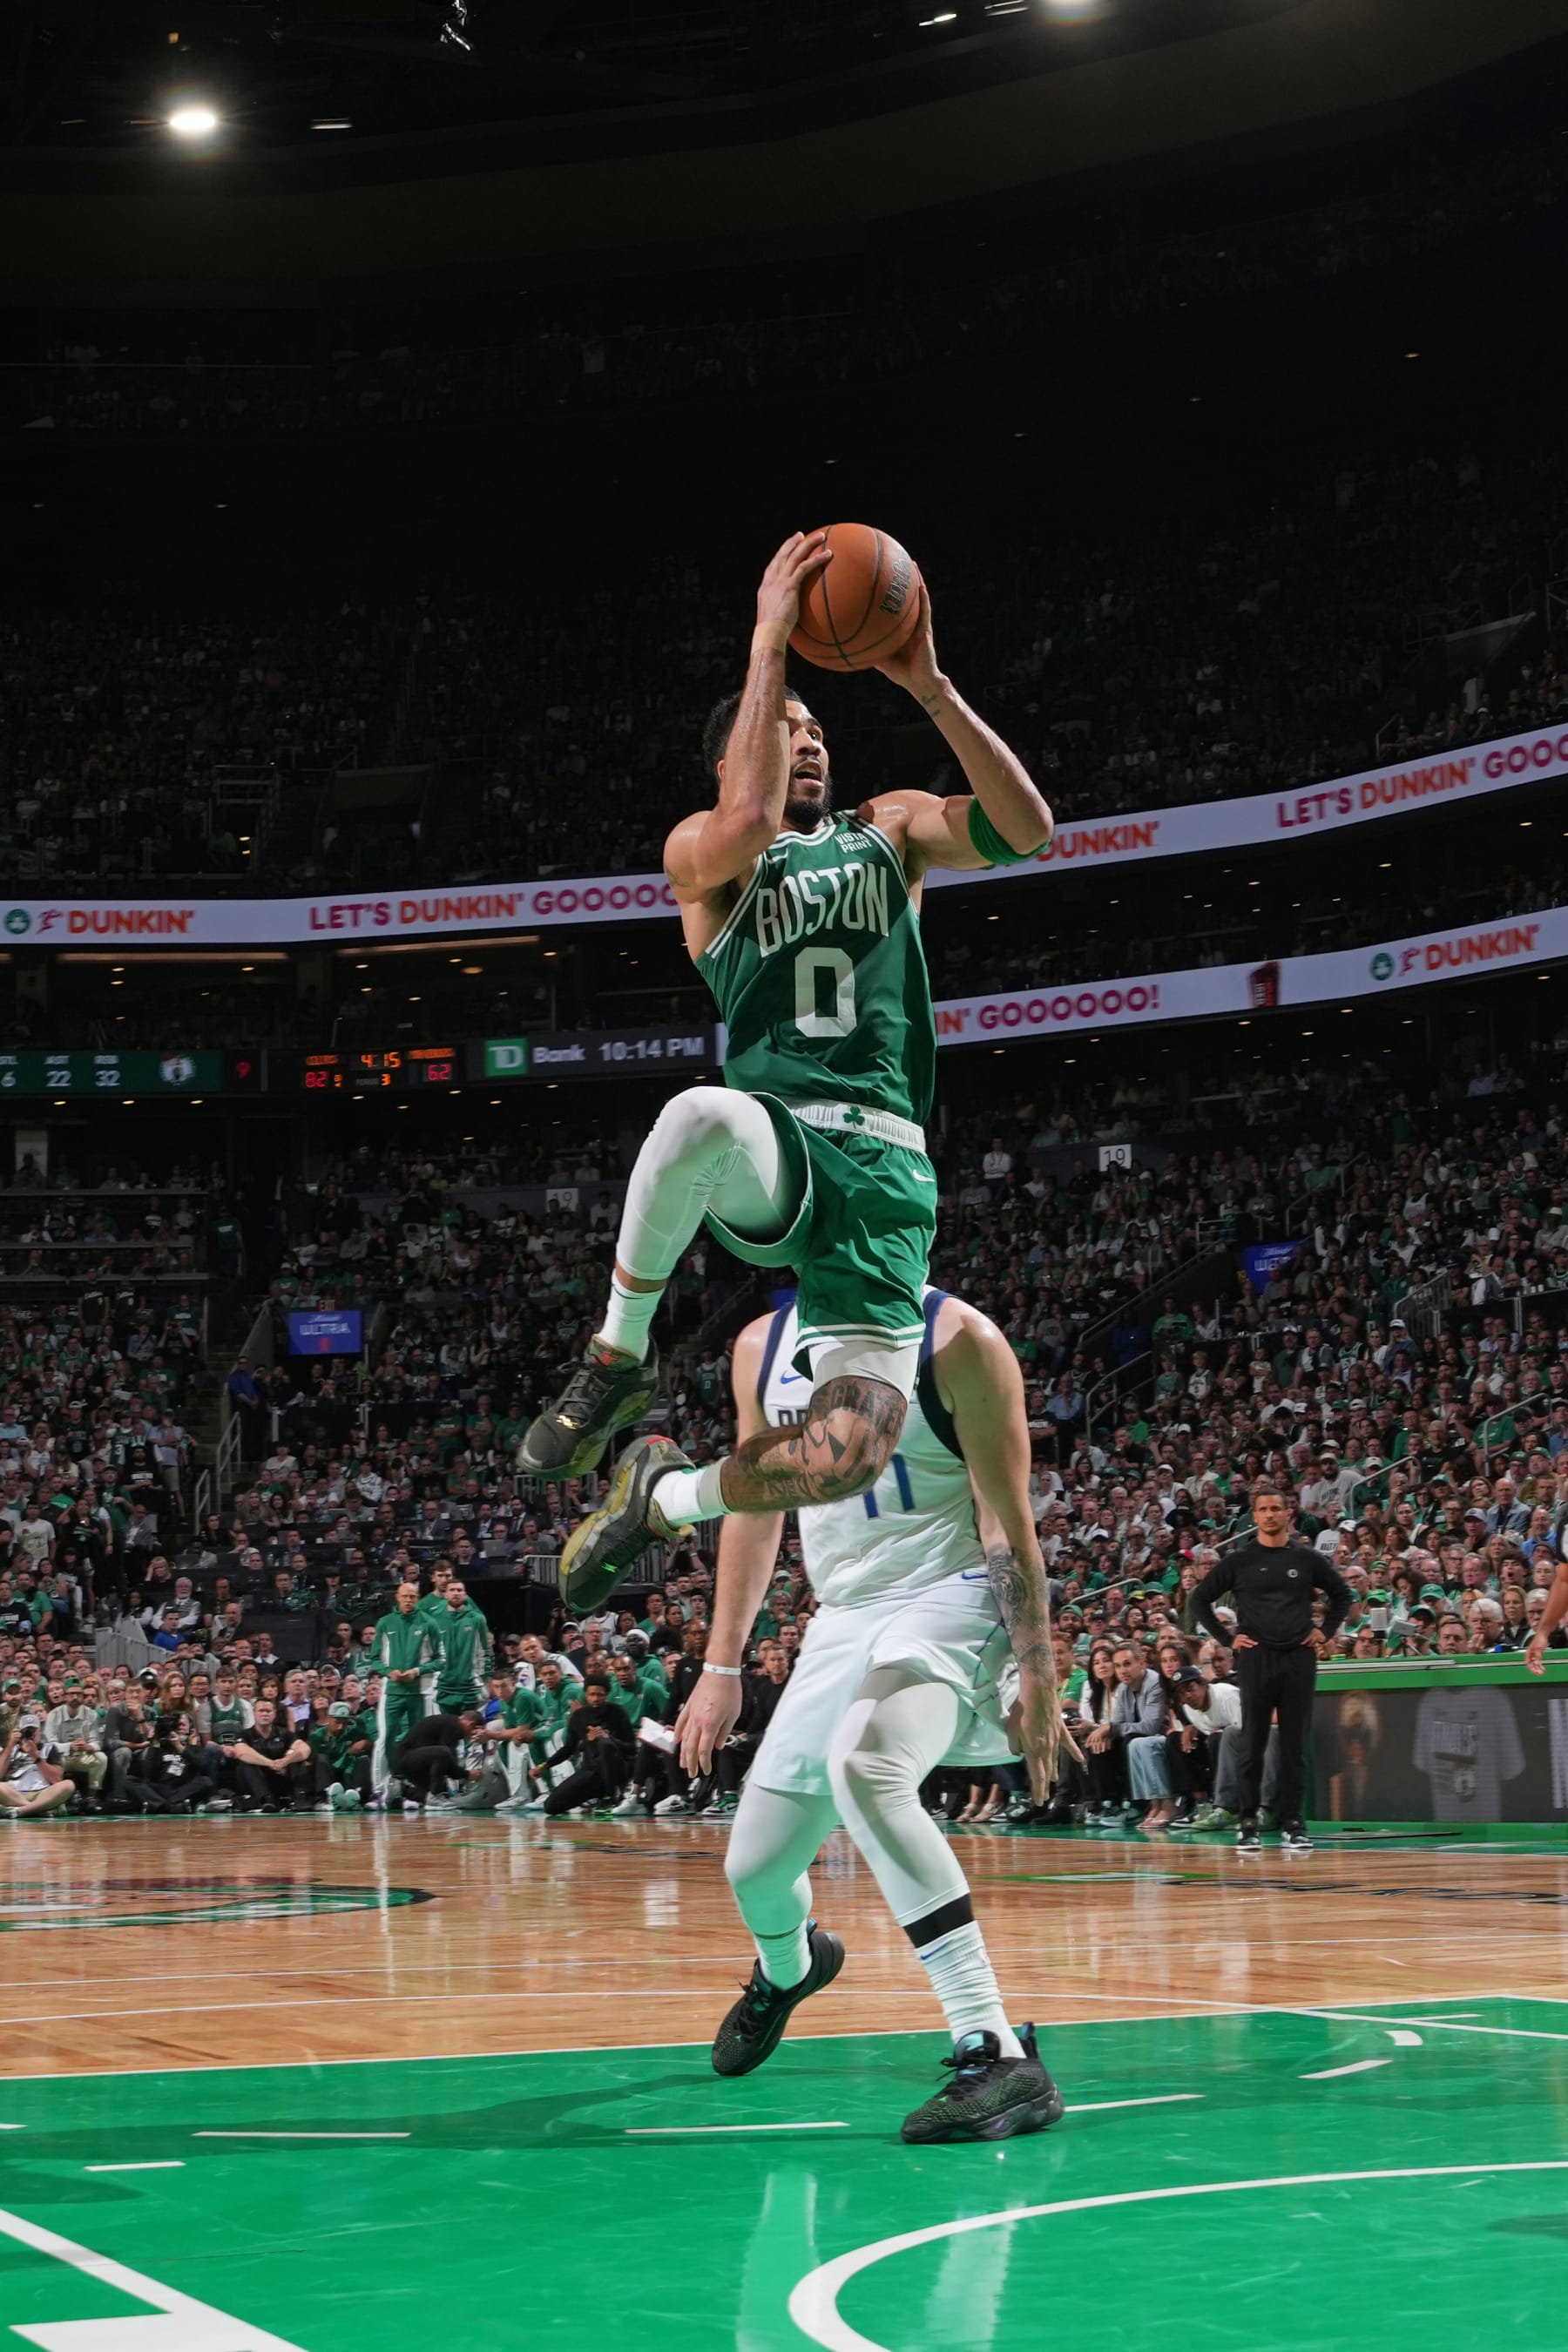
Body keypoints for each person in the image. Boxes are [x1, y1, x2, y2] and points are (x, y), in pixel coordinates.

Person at [519, 532, 1052, 1607]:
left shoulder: (889, 830)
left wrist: (931, 684)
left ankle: (657, 1501)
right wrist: (769, 641)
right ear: (735, 758)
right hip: (784, 1144)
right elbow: (751, 819)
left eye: (818, 731)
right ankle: (619, 1358)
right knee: (698, 1117)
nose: (810, 744)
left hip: (890, 1170)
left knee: (849, 1450)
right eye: (787, 730)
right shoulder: (699, 856)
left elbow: (1027, 830)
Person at [676, 1287, 1071, 2145]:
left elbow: (1006, 1517)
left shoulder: (961, 1337)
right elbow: (754, 1503)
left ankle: (995, 2050)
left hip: (951, 1591)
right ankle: (792, 1967)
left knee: (869, 1766)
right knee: (755, 1866)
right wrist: (721, 1664)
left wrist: (1035, 1663)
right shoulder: (758, 1342)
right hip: (843, 1613)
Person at [1191, 1482, 1353, 1852]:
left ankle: (1293, 1823)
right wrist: (1228, 1638)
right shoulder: (1239, 1560)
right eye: (1262, 1510)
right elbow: (1200, 1599)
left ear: (1288, 1514)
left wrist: (1324, 1632)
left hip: (1298, 1657)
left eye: (1275, 1509)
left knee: (1295, 1746)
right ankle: (1248, 1822)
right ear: (1255, 1516)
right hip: (1256, 1659)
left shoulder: (1307, 1558)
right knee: (1252, 1743)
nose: (1269, 1515)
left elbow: (1342, 1594)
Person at [368, 1581, 439, 1799]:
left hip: (420, 1692)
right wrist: (389, 1672)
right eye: (405, 1596)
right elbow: (374, 1659)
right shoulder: (385, 1623)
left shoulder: (429, 1623)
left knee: (418, 1740)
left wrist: (417, 1671)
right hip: (392, 1691)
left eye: (413, 1596)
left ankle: (415, 1784)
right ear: (397, 1597)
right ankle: (385, 1786)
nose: (409, 1600)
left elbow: (440, 1660)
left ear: (418, 1598)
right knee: (386, 1737)